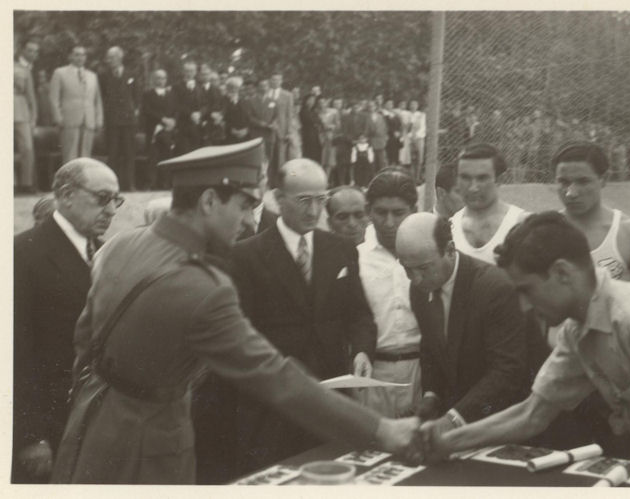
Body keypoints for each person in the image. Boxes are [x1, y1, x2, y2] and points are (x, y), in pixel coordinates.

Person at [51, 141, 420, 484]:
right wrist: (382, 430)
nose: (248, 221)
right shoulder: (203, 287)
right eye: (244, 206)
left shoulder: (121, 245)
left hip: (91, 424)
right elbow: (275, 378)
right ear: (210, 201)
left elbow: (84, 341)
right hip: (151, 447)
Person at [423, 212, 630, 487]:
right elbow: (533, 414)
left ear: (562, 273)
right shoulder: (578, 329)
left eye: (527, 290)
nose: (523, 306)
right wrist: (447, 440)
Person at [230, 158, 378, 472]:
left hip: (333, 398)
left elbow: (359, 314)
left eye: (321, 200)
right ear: (278, 199)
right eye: (303, 201)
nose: (314, 211)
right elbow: (242, 334)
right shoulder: (246, 255)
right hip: (274, 405)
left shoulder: (340, 249)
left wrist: (363, 350)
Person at [14, 158, 122, 483]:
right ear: (66, 194)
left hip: (99, 424)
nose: (112, 210)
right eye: (102, 198)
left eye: (117, 200)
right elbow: (15, 353)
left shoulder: (107, 253)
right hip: (49, 428)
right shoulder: (22, 255)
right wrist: (29, 436)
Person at [397, 212, 528, 438]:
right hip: (454, 423)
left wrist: (453, 420)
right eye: (407, 269)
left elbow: (507, 370)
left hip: (498, 424)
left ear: (449, 250)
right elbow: (432, 349)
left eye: (423, 268)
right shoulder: (419, 290)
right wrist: (430, 398)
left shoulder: (494, 288)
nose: (415, 279)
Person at [357, 170, 422, 417]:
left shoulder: (427, 255)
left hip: (420, 371)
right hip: (373, 373)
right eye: (381, 212)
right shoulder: (356, 258)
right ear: (369, 211)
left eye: (398, 213)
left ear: (413, 210)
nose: (389, 222)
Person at [552, 141, 630, 281]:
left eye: (583, 182)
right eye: (564, 182)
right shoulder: (542, 231)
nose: (571, 193)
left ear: (604, 179)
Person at [450, 143, 528, 264]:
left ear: (500, 179)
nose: (473, 188)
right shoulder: (450, 228)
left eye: (482, 178)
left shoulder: (522, 224)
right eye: (465, 178)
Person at [49, 44, 104, 164]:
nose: (80, 58)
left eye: (83, 55)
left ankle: (83, 182)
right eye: (77, 55)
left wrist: (99, 120)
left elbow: (97, 100)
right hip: (69, 120)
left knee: (86, 157)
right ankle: (69, 182)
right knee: (70, 157)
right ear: (70, 56)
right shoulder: (60, 73)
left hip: (88, 120)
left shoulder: (92, 76)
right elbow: (54, 98)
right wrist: (58, 118)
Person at [99, 46, 139, 191]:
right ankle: (112, 186)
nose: (109, 61)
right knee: (113, 153)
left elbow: (137, 95)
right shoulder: (103, 75)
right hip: (112, 120)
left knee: (129, 153)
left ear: (120, 57)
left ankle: (130, 184)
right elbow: (102, 97)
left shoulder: (131, 74)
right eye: (108, 58)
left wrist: (134, 111)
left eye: (112, 57)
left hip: (128, 120)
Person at [140, 69, 176, 190]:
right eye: (158, 78)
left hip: (167, 129)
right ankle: (150, 183)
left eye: (163, 78)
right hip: (153, 129)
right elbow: (147, 110)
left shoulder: (171, 94)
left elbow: (176, 109)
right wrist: (162, 119)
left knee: (166, 155)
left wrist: (173, 121)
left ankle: (165, 183)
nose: (161, 81)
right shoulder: (147, 94)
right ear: (153, 80)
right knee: (153, 156)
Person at [14, 38, 39, 194]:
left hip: (21, 111)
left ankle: (26, 184)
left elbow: (31, 96)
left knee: (27, 149)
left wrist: (33, 116)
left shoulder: (23, 70)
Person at [267, 71, 296, 187]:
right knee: (268, 157)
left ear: (281, 81)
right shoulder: (266, 94)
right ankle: (268, 182)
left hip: (282, 131)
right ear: (270, 81)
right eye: (273, 79)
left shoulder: (287, 95)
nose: (275, 82)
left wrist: (289, 131)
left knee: (280, 157)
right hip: (267, 130)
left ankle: (279, 183)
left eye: (277, 80)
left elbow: (289, 115)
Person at [172, 60, 203, 154]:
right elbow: (176, 104)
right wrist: (190, 114)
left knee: (196, 151)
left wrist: (200, 113)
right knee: (183, 151)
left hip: (197, 125)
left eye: (192, 71)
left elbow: (205, 103)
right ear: (183, 72)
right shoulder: (176, 87)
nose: (189, 73)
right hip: (182, 124)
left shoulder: (200, 87)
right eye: (187, 71)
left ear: (195, 72)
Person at [365, 99, 388, 171]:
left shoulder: (380, 116)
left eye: (372, 106)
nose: (371, 108)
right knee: (373, 160)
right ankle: (373, 177)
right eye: (369, 107)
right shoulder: (367, 117)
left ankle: (383, 174)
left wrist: (384, 139)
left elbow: (385, 128)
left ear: (375, 107)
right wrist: (368, 138)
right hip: (372, 141)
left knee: (382, 160)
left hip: (380, 141)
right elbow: (366, 130)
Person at [299, 94, 323, 163]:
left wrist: (317, 123)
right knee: (309, 155)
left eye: (313, 100)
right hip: (307, 135)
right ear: (306, 101)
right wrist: (316, 123)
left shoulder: (313, 111)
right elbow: (310, 120)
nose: (312, 102)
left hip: (315, 136)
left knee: (316, 154)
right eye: (310, 100)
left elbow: (320, 122)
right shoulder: (303, 111)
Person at [383, 99, 402, 167]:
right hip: (388, 137)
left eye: (391, 104)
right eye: (388, 104)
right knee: (389, 155)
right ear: (385, 105)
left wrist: (398, 132)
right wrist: (392, 132)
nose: (390, 105)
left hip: (396, 138)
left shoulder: (395, 114)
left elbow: (399, 124)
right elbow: (384, 126)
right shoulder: (383, 114)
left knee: (396, 155)